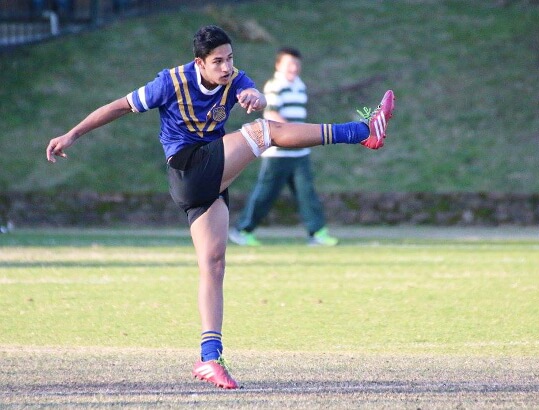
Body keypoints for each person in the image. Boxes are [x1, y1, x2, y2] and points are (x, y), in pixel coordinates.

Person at [45, 25, 395, 390]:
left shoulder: (234, 77)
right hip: (187, 170)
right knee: (264, 132)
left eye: (230, 58)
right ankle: (361, 132)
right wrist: (72, 134)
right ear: (200, 63)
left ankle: (209, 358)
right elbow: (118, 106)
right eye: (218, 62)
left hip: (210, 176)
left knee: (213, 265)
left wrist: (255, 96)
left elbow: (250, 91)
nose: (226, 67)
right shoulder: (170, 82)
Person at [229, 47, 338, 247]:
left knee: (307, 193)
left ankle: (317, 233)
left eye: (297, 64)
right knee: (265, 194)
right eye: (289, 64)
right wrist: (292, 134)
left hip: (300, 152)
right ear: (279, 65)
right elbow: (272, 116)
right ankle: (242, 230)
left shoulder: (299, 86)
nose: (294, 68)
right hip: (278, 152)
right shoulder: (274, 86)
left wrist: (303, 138)